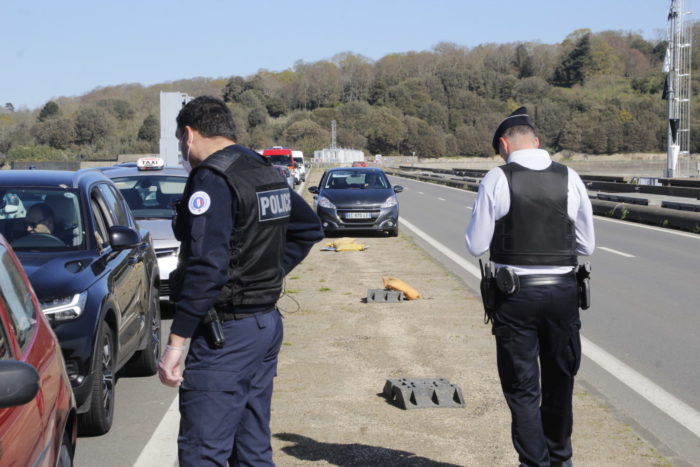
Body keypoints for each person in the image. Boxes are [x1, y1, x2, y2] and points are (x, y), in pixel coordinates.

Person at [157, 96, 323, 466]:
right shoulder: (263, 169)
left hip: (225, 337)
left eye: (181, 143)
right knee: (251, 449)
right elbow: (308, 228)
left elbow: (206, 266)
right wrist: (266, 273)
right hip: (263, 325)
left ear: (188, 134)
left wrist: (175, 342)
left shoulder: (212, 178)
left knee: (205, 452)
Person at [465, 107, 595, 467]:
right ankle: (561, 459)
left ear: (505, 144)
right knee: (561, 381)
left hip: (515, 296)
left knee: (523, 389)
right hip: (563, 293)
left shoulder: (497, 178)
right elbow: (587, 245)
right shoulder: (570, 177)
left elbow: (476, 245)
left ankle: (533, 464)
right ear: (536, 141)